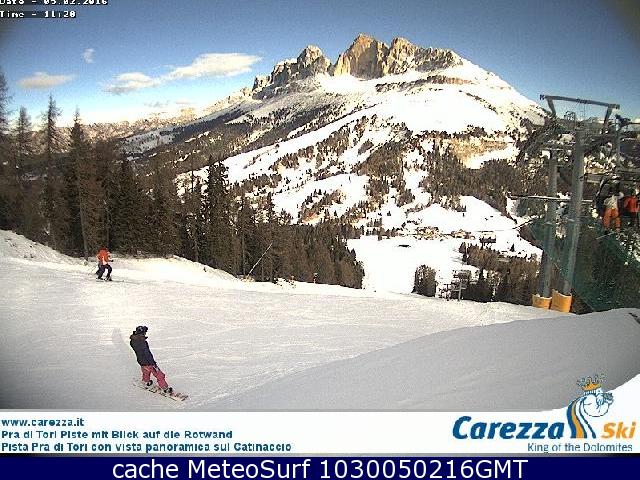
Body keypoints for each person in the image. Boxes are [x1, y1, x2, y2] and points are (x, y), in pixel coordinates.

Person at [129, 326, 172, 394]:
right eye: (144, 332)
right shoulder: (142, 343)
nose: (145, 334)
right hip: (148, 362)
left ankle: (146, 381)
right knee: (159, 374)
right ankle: (165, 388)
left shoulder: (133, 341)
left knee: (146, 372)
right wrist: (153, 363)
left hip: (141, 361)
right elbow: (147, 354)